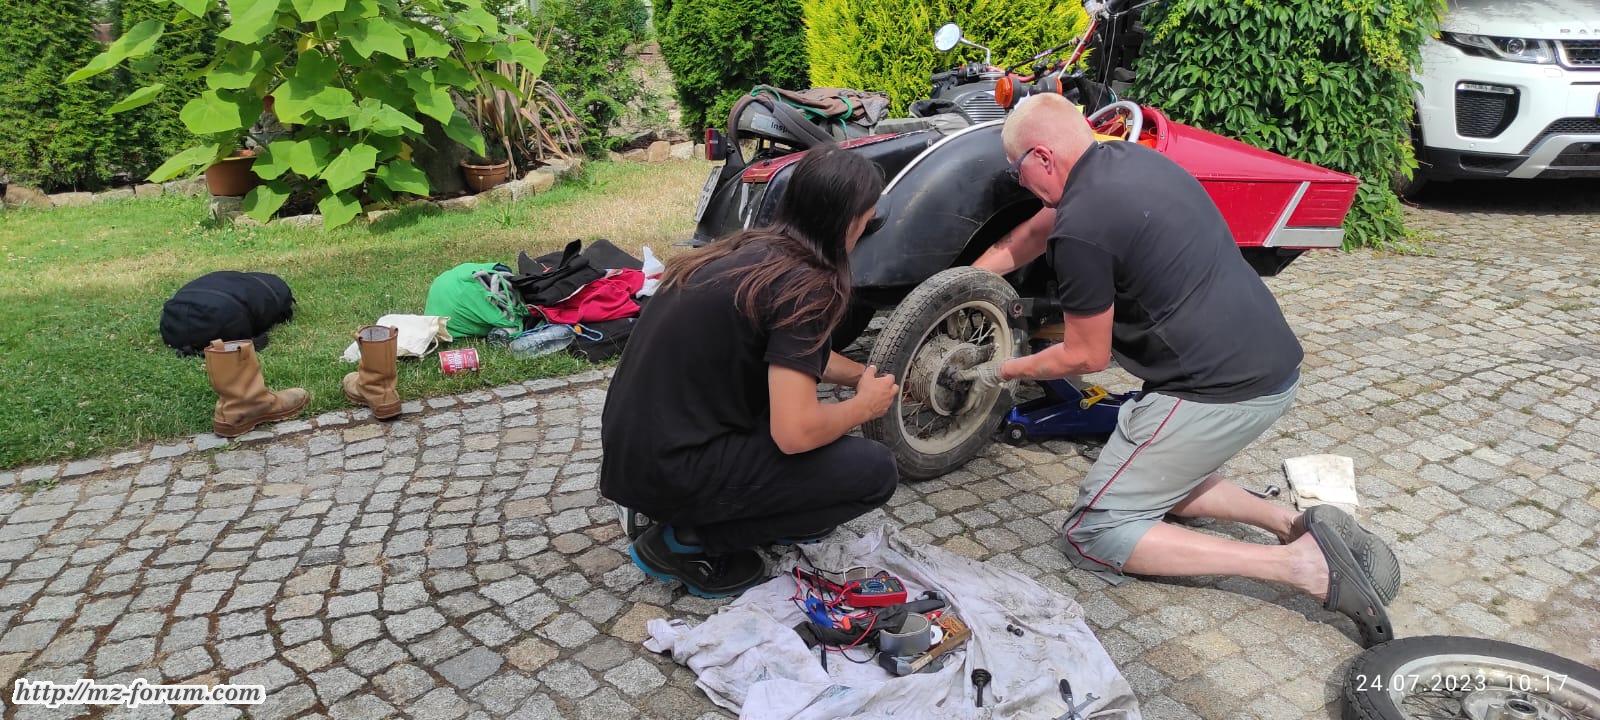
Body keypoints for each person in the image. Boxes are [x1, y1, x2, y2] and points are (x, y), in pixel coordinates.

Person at [962, 93, 1400, 646]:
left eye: (1016, 169)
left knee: (1093, 531)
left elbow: (1085, 357)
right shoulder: (1130, 161)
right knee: (1146, 477)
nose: (1018, 181)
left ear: (1043, 158)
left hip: (1212, 392)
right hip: (1269, 365)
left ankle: (1301, 567)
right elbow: (1029, 235)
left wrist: (1003, 369)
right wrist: (959, 288)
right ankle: (1291, 523)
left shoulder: (1082, 228)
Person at [600, 146, 902, 599]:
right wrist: (863, 406)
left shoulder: (752, 251)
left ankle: (732, 510)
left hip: (636, 454)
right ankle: (687, 541)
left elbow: (800, 357)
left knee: (817, 438)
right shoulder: (807, 285)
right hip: (671, 471)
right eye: (868, 216)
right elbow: (795, 433)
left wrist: (862, 375)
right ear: (849, 224)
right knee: (874, 472)